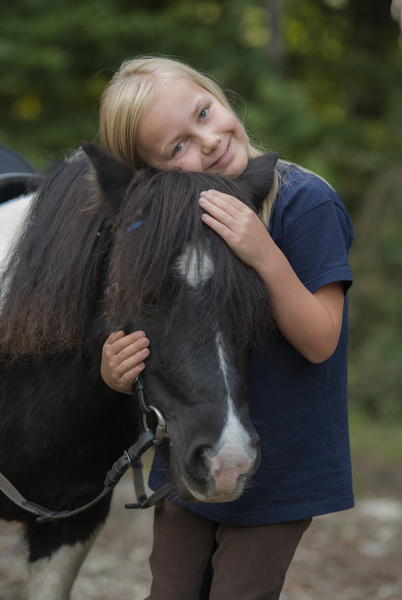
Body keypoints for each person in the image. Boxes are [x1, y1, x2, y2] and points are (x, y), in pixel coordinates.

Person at [99, 56, 354, 600]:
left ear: (217, 95)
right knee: (170, 591)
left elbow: (321, 341)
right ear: (153, 175)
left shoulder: (306, 203)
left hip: (279, 468)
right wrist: (117, 368)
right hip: (190, 450)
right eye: (178, 147)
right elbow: (162, 325)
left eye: (203, 113)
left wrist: (265, 255)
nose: (209, 140)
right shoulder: (170, 223)